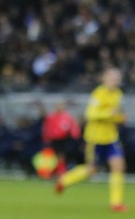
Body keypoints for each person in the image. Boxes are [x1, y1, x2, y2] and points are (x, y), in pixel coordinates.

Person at [55, 67, 128, 211]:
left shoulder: (118, 95)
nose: (115, 81)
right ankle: (64, 180)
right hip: (95, 138)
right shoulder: (98, 93)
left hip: (111, 137)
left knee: (118, 166)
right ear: (104, 78)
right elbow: (90, 114)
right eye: (112, 78)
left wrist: (120, 118)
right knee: (91, 170)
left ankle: (116, 203)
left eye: (117, 79)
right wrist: (109, 114)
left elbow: (116, 114)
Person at [40, 99, 82, 177]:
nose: (60, 107)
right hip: (53, 140)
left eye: (61, 105)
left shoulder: (67, 117)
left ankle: (61, 172)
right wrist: (46, 139)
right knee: (52, 157)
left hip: (64, 140)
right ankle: (51, 173)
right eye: (58, 105)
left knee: (61, 157)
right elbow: (47, 128)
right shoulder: (51, 116)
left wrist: (75, 136)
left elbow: (73, 129)